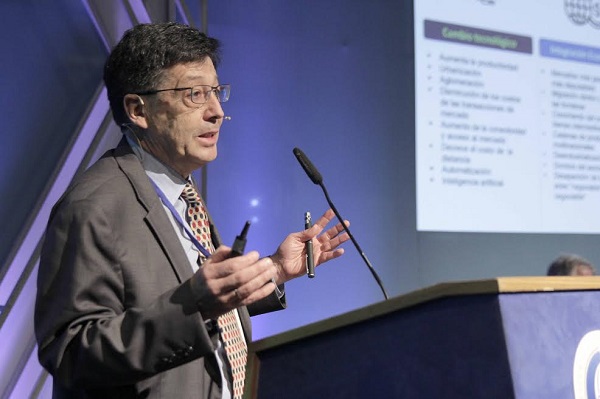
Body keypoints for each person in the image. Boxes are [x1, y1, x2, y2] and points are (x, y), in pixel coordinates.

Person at [34, 22, 350, 399]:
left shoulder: (180, 189)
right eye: (195, 95)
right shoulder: (93, 208)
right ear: (138, 109)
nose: (216, 111)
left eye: (216, 92)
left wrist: (274, 270)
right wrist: (192, 304)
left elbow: (187, 301)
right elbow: (70, 351)